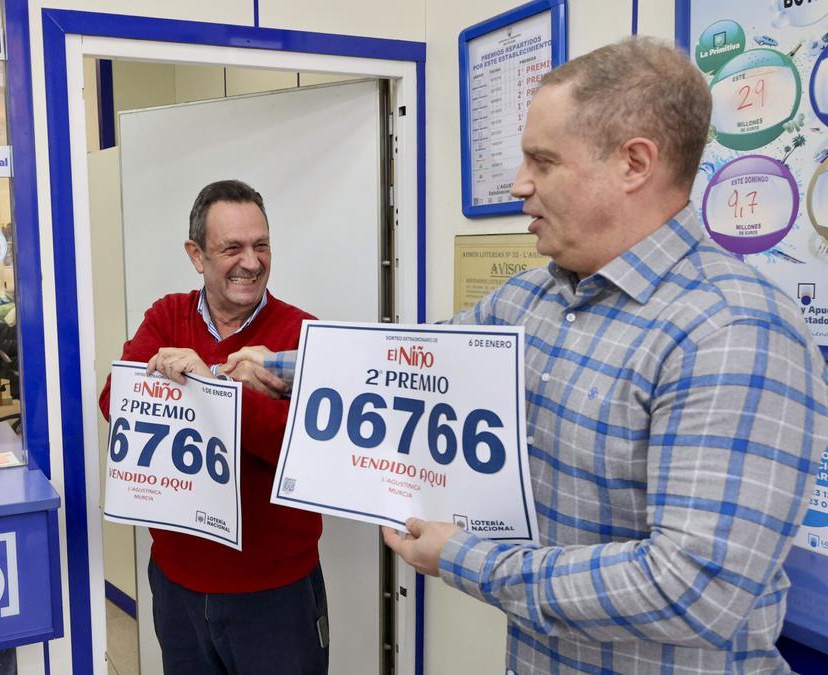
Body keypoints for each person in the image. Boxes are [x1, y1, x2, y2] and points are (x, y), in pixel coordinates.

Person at [237, 38, 828, 672]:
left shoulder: (734, 331)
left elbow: (695, 587)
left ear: (634, 164)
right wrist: (279, 368)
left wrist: (466, 558)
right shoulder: (535, 298)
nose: (519, 185)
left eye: (542, 161)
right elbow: (426, 366)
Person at [98, 179, 327, 675]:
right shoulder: (166, 315)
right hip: (177, 583)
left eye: (261, 244)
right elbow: (116, 402)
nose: (252, 261)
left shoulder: (303, 336)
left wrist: (210, 387)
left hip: (275, 592)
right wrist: (230, 386)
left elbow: (304, 448)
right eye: (232, 248)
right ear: (197, 255)